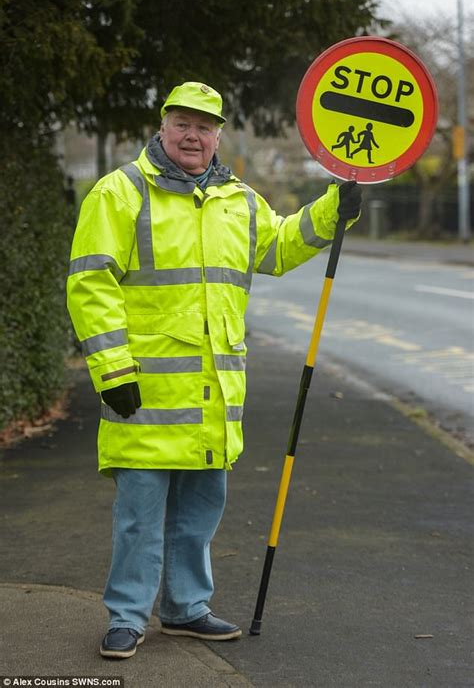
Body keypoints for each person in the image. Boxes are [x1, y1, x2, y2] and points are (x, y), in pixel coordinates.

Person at [67, 81, 362, 659]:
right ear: (162, 126)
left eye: (205, 126)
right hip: (144, 391)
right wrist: (113, 369)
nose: (193, 135)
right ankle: (127, 616)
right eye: (183, 123)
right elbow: (90, 280)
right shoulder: (121, 193)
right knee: (139, 519)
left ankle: (184, 609)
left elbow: (278, 248)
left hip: (212, 400)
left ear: (219, 135)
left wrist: (333, 210)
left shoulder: (239, 201)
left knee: (199, 516)